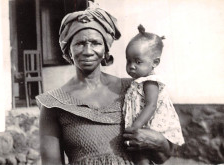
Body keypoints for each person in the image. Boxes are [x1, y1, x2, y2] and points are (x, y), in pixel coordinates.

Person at [36, 7, 175, 165]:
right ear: (68, 49)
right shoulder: (53, 104)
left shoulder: (135, 90)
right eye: (80, 44)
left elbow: (164, 156)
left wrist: (155, 141)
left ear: (105, 49)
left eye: (95, 43)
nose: (88, 51)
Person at [123, 24, 185, 164]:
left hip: (151, 127)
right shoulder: (136, 83)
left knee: (142, 156)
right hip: (142, 128)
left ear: (155, 62)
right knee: (139, 157)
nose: (131, 65)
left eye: (138, 62)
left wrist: (136, 126)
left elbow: (151, 105)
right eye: (128, 61)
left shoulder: (150, 82)